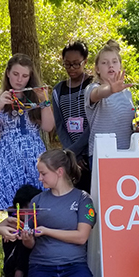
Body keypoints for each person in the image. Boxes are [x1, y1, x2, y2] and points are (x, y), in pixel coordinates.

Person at [20, 149, 102, 277]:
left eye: (43, 173)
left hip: (74, 267)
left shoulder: (83, 199)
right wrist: (26, 239)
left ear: (59, 171)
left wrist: (48, 231)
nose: (40, 179)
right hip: (42, 268)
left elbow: (81, 237)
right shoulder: (37, 201)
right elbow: (30, 243)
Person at [0, 54, 55, 211]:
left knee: (38, 202)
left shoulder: (35, 97)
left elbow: (48, 127)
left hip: (34, 155)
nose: (19, 80)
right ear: (8, 72)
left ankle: (38, 234)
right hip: (8, 155)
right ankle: (12, 235)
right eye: (15, 74)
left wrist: (45, 101)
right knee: (12, 205)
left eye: (24, 76)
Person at [51, 41, 92, 191]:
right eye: (67, 64)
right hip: (71, 157)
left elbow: (93, 123)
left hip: (90, 153)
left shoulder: (92, 85)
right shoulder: (58, 90)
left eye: (76, 64)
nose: (71, 68)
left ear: (85, 62)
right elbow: (60, 124)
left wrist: (76, 152)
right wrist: (71, 154)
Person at [85, 40, 135, 156]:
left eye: (114, 62)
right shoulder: (92, 88)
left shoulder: (127, 93)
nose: (110, 65)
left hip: (127, 152)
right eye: (104, 63)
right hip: (102, 154)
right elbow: (98, 93)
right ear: (97, 69)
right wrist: (111, 89)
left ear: (120, 66)